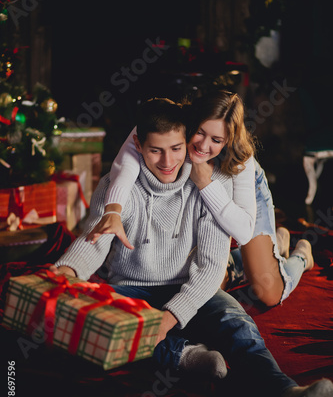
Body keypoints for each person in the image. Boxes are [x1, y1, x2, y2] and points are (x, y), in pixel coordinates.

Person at [53, 97, 333, 397]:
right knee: (103, 329)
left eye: (176, 148)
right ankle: (185, 356)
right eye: (156, 150)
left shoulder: (212, 181)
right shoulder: (119, 185)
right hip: (129, 289)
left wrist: (169, 317)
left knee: (236, 321)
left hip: (188, 285)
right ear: (138, 145)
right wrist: (65, 273)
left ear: (186, 141)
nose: (167, 161)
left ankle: (286, 396)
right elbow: (94, 242)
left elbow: (212, 267)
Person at [86, 90, 314, 308]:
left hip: (241, 205)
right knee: (210, 283)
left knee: (268, 292)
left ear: (228, 140)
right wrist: (113, 211)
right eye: (200, 133)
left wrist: (205, 183)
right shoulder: (171, 120)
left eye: (216, 139)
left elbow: (243, 231)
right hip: (210, 195)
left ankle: (302, 255)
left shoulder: (240, 159)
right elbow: (126, 162)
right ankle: (253, 255)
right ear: (192, 121)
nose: (203, 146)